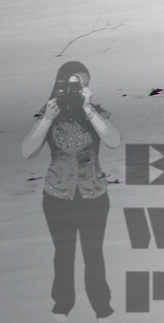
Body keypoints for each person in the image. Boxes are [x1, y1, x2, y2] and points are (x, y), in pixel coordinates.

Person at [23, 61, 120, 318]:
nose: (77, 89)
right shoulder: (49, 112)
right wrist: (47, 120)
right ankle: (61, 310)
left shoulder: (96, 112)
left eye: (83, 83)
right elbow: (27, 151)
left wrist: (89, 109)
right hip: (57, 197)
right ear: (59, 84)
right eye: (72, 83)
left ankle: (102, 310)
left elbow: (113, 141)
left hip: (94, 196)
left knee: (94, 256)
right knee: (63, 256)